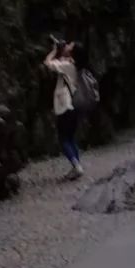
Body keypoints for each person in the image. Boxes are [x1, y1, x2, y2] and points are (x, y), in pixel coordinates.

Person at [44, 39, 86, 180]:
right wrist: (60, 53)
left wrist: (54, 51)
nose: (67, 45)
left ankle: (76, 166)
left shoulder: (68, 65)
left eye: (70, 45)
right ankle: (77, 165)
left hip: (65, 106)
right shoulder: (74, 65)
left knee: (63, 139)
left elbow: (48, 63)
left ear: (72, 52)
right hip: (75, 106)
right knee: (71, 137)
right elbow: (61, 62)